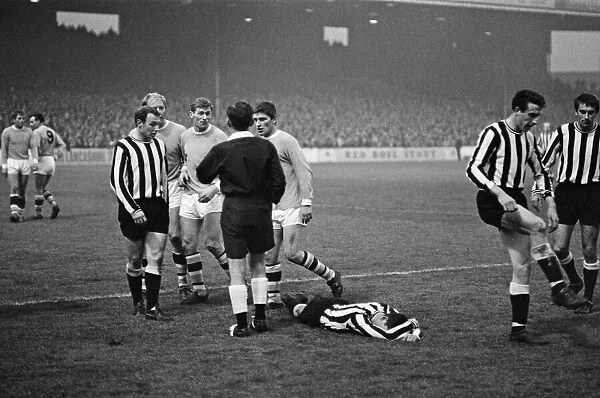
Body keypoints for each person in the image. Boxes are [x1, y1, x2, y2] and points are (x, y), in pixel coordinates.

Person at [466, 89, 587, 345]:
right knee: (538, 225)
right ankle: (559, 289)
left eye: (537, 116)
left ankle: (518, 330)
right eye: (531, 115)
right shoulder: (494, 132)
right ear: (517, 110)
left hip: (515, 198)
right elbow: (473, 168)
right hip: (492, 199)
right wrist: (499, 194)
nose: (534, 120)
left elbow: (542, 171)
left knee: (522, 266)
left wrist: (551, 202)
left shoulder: (530, 139)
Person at [196, 101, 285, 337]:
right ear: (251, 122)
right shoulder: (265, 147)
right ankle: (261, 319)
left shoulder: (222, 149)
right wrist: (269, 201)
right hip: (260, 209)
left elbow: (203, 174)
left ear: (228, 123)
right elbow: (279, 182)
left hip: (234, 210)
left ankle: (242, 325)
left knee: (237, 269)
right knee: (258, 265)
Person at [253, 101, 343, 308]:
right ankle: (273, 298)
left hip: (292, 204)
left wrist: (306, 202)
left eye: (263, 120)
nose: (258, 124)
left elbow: (304, 171)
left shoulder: (286, 141)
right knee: (270, 255)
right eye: (255, 120)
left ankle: (331, 276)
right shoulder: (258, 143)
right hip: (272, 207)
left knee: (291, 253)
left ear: (274, 120)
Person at [536, 93, 600, 315]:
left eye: (590, 113)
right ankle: (574, 280)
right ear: (576, 112)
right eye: (582, 112)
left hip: (593, 193)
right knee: (559, 247)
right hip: (567, 193)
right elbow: (544, 165)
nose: (586, 116)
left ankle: (588, 299)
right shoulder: (563, 132)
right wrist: (538, 190)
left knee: (589, 248)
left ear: (596, 114)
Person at [110, 106, 172, 321]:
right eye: (152, 124)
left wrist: (165, 203)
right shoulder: (124, 146)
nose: (157, 128)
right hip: (133, 207)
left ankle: (153, 308)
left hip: (157, 206)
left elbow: (164, 176)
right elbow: (116, 182)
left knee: (156, 257)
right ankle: (138, 301)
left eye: (159, 123)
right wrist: (133, 209)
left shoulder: (160, 145)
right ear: (139, 123)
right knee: (136, 259)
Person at [177, 97, 230, 304]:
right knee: (188, 244)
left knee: (213, 244)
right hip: (189, 196)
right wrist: (183, 170)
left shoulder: (219, 136)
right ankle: (199, 290)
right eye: (200, 113)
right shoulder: (184, 136)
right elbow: (186, 158)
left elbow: (229, 167)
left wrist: (214, 187)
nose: (205, 117)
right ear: (191, 115)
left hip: (212, 197)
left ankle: (241, 283)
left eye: (208, 113)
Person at [140, 93, 187, 300]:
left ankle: (182, 281)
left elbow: (188, 157)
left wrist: (185, 169)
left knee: (175, 235)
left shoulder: (178, 131)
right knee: (147, 237)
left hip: (174, 185)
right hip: (151, 189)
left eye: (161, 107)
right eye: (154, 108)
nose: (159, 112)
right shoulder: (142, 132)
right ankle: (145, 280)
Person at [281, 292, 422, 342]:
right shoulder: (358, 320)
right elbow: (388, 335)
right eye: (380, 325)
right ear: (385, 319)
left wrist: (415, 332)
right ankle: (292, 300)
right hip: (320, 313)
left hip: (339, 303)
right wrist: (413, 326)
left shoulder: (384, 308)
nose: (376, 328)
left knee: (309, 305)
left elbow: (403, 320)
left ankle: (300, 299)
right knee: (298, 310)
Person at [1, 110, 37, 223]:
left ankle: (20, 214)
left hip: (25, 162)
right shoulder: (7, 132)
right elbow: (4, 149)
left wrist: (35, 160)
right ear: (13, 120)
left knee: (22, 190)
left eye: (22, 118)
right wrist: (3, 165)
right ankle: (14, 213)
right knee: (14, 187)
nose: (21, 121)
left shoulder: (29, 131)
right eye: (19, 118)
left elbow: (33, 147)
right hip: (12, 162)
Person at [29, 113, 66, 220]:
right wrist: (56, 155)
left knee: (38, 189)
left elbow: (35, 147)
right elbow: (62, 144)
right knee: (43, 188)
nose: (30, 124)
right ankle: (54, 205)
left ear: (38, 121)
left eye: (32, 122)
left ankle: (38, 214)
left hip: (42, 160)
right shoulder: (51, 131)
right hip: (51, 161)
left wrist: (35, 161)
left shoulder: (36, 132)